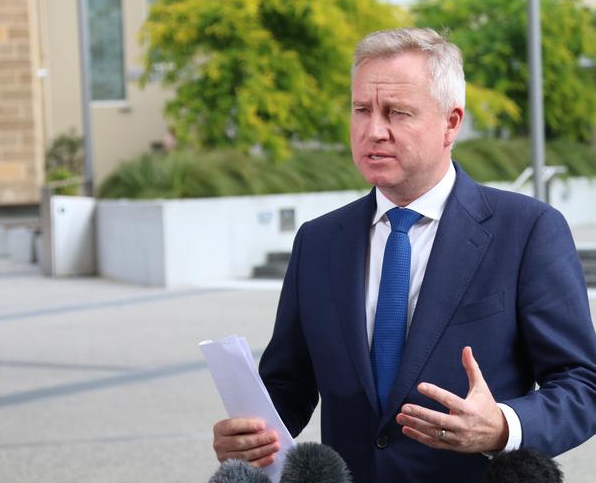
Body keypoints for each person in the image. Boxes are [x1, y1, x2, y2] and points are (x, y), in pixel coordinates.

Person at [212, 27, 596, 481]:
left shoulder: (527, 229)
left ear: (451, 122)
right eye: (362, 109)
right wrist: (249, 436)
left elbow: (582, 386)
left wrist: (503, 427)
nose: (374, 130)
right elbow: (288, 387)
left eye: (397, 112)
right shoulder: (317, 241)